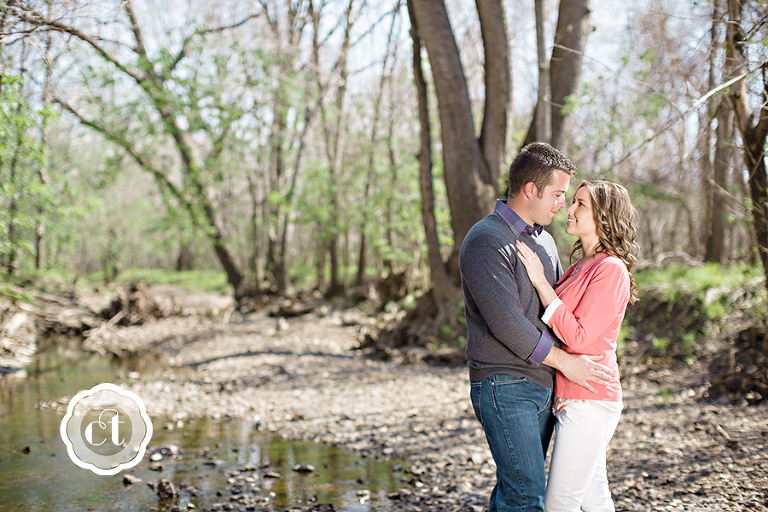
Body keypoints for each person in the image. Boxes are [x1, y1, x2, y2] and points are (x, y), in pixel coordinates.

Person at [459, 142, 613, 512]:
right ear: (531, 189)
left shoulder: (544, 241)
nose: (563, 204)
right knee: (527, 496)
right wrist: (567, 363)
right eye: (558, 194)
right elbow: (507, 323)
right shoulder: (486, 239)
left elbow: (559, 309)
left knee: (515, 491)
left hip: (544, 384)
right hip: (504, 383)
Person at [515, 180, 638, 512]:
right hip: (572, 397)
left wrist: (541, 282)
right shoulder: (580, 266)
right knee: (593, 500)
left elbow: (579, 336)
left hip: (591, 398)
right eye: (573, 201)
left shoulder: (611, 269)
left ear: (604, 215)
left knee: (560, 504)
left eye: (581, 204)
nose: (569, 209)